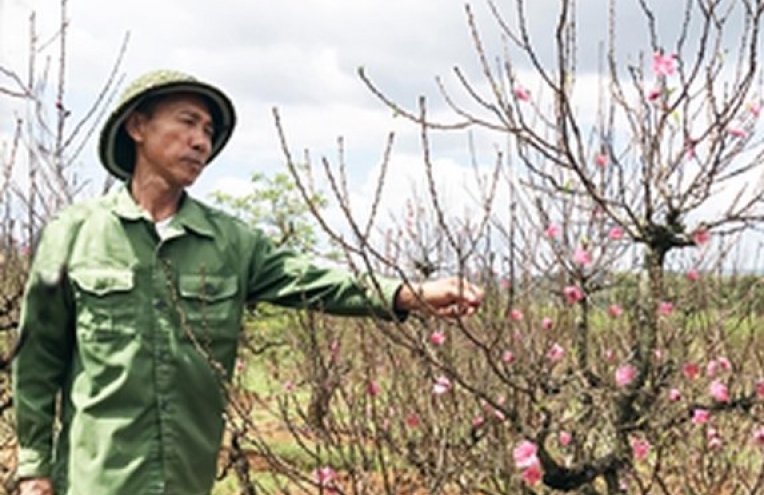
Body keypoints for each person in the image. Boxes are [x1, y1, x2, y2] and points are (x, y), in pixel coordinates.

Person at [13, 69, 483, 495]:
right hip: (95, 480)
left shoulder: (231, 244)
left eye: (208, 132)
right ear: (138, 127)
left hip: (186, 480)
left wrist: (410, 294)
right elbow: (38, 360)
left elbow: (316, 281)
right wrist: (34, 467)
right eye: (187, 122)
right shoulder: (73, 235)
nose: (201, 141)